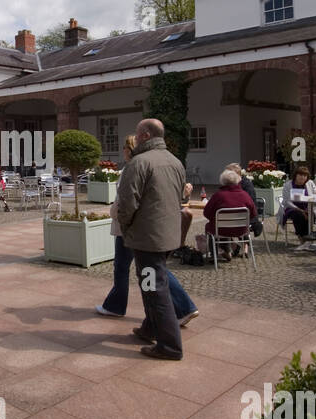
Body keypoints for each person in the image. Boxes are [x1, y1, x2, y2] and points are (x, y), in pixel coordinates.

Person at [98, 135, 198, 325]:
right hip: (150, 226)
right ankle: (171, 313)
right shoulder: (169, 162)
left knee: (145, 270)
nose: (123, 152)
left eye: (125, 148)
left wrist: (121, 219)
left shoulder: (135, 167)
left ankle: (173, 313)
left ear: (131, 149)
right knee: (150, 269)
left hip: (134, 228)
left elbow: (126, 201)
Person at [116, 118, 187, 360]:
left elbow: (126, 203)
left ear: (145, 135)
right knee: (152, 285)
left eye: (137, 134)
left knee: (154, 288)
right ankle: (150, 329)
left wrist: (125, 227)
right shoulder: (175, 161)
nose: (134, 139)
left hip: (147, 237)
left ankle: (169, 345)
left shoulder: (139, 163)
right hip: (167, 234)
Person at [204, 169, 257, 261]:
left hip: (220, 230)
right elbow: (253, 214)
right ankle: (228, 251)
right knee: (221, 226)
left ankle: (215, 255)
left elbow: (206, 213)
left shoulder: (218, 196)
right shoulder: (245, 195)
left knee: (212, 226)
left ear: (222, 182)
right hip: (241, 230)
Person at [280, 166, 316, 241]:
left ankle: (307, 236)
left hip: (307, 207)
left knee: (311, 215)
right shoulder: (288, 185)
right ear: (296, 175)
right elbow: (287, 201)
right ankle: (302, 237)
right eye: (300, 175)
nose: (302, 177)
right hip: (292, 208)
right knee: (299, 215)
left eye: (305, 176)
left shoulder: (310, 183)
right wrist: (301, 210)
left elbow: (314, 197)